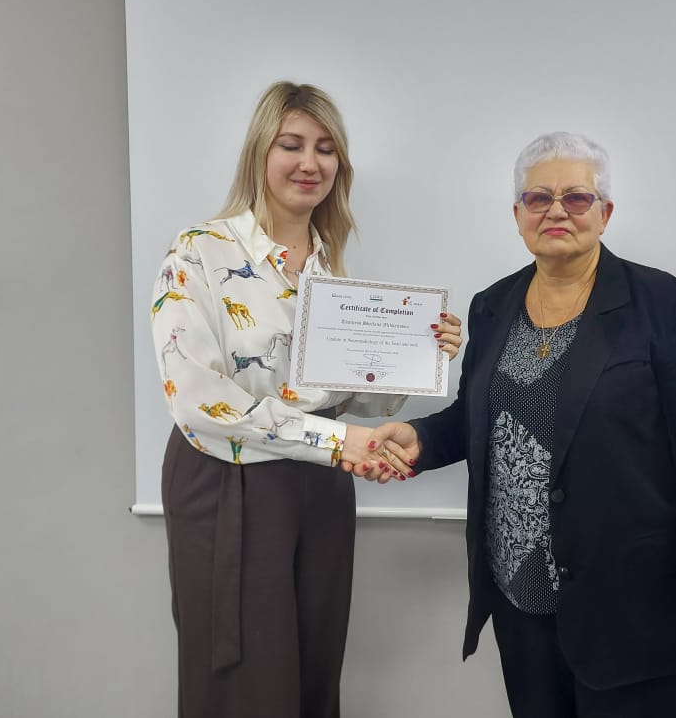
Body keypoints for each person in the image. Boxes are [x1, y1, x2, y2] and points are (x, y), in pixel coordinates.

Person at [358, 132, 676, 717]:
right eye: (538, 198)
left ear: (605, 213)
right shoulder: (492, 305)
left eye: (575, 197)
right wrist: (419, 439)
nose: (556, 211)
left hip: (633, 607)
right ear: (518, 215)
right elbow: (480, 418)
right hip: (520, 600)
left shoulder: (664, 303)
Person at [150, 80, 462, 718]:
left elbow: (344, 401)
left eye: (325, 149)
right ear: (260, 153)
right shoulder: (200, 252)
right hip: (230, 479)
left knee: (313, 673)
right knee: (245, 681)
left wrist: (421, 354)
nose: (309, 162)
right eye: (291, 144)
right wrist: (336, 441)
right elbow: (198, 401)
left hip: (320, 486)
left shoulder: (328, 272)